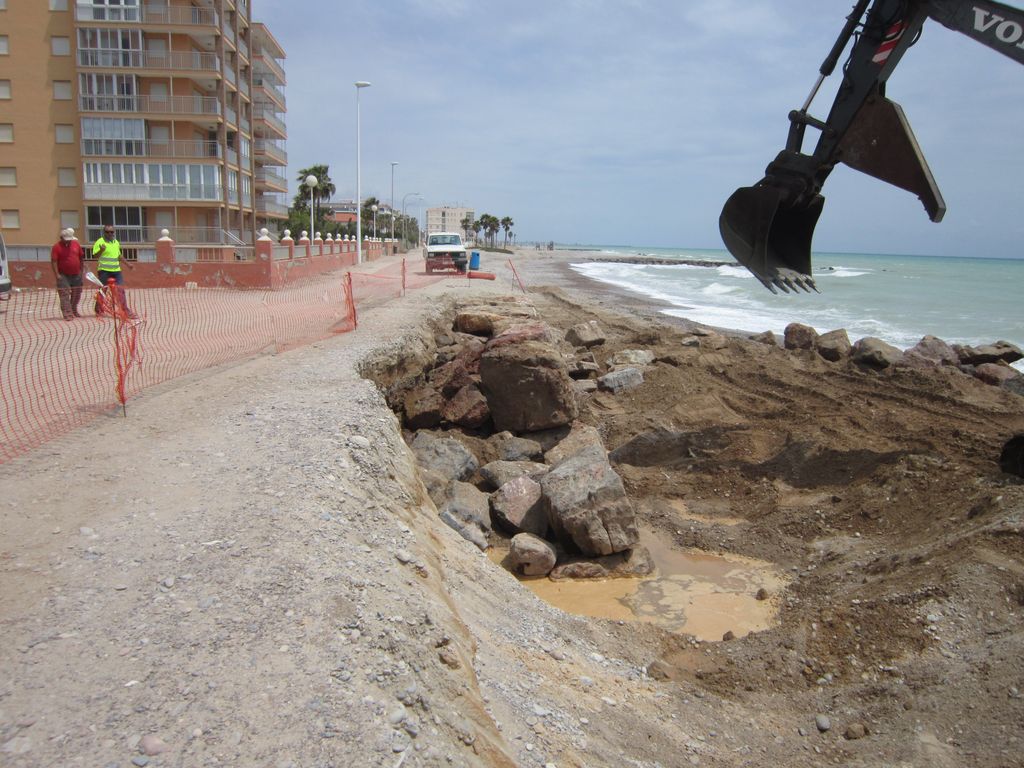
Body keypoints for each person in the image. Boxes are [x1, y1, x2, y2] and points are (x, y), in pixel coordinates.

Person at [50, 228, 84, 320]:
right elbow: (54, 261)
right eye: (66, 240)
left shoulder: (76, 244)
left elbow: (81, 258)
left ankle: (73, 309)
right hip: (63, 275)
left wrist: (81, 271)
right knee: (64, 294)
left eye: (70, 240)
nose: (68, 242)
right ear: (61, 238)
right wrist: (57, 274)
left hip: (76, 274)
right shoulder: (56, 247)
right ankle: (67, 313)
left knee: (77, 293)